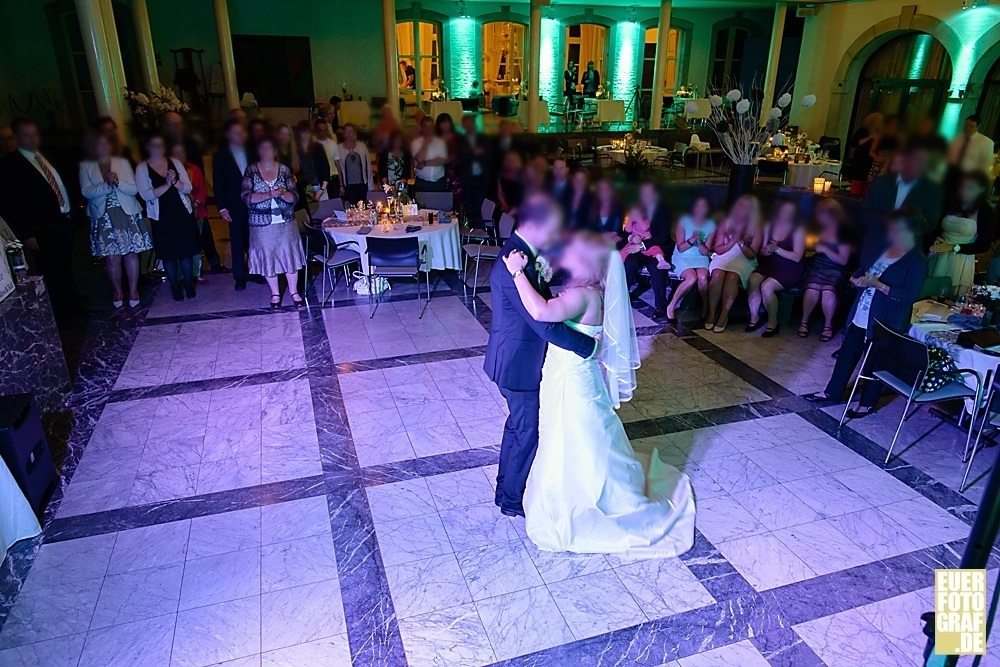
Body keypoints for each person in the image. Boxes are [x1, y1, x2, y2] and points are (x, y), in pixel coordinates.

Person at [500, 231, 696, 555]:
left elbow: (540, 312)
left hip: (570, 382)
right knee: (578, 435)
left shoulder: (582, 295)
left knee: (575, 435)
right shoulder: (593, 292)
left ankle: (578, 502)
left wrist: (517, 272)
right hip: (572, 375)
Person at [483, 194, 598, 517]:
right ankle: (511, 499)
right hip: (518, 365)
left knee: (516, 428)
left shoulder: (519, 253)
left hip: (512, 358)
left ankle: (504, 487)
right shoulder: (513, 262)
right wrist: (587, 345)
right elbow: (544, 325)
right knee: (527, 432)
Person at [806, 209, 928, 416]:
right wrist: (856, 280)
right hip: (861, 312)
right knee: (847, 354)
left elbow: (909, 297)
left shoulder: (917, 260)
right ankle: (831, 392)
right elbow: (860, 271)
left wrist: (879, 285)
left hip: (885, 319)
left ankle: (867, 403)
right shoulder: (886, 248)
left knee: (874, 361)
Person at [0, 117, 81, 313]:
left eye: (35, 133)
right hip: (41, 228)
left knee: (66, 265)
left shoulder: (43, 156)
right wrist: (27, 232)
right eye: (27, 135)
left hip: (62, 220)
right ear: (19, 137)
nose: (33, 138)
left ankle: (74, 303)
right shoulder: (12, 164)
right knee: (50, 269)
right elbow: (14, 202)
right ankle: (60, 311)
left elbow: (59, 183)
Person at [80, 131, 152, 308]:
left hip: (126, 212)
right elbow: (86, 191)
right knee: (111, 257)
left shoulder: (122, 163)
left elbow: (134, 189)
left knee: (131, 252)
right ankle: (118, 290)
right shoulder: (86, 165)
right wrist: (106, 185)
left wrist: (118, 183)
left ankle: (133, 290)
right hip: (103, 215)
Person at [241, 136, 306, 308]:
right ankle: (275, 293)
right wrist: (268, 195)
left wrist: (283, 193)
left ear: (275, 152)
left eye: (269, 148)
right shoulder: (251, 171)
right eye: (262, 149)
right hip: (261, 225)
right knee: (267, 258)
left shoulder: (284, 170)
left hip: (285, 222)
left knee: (290, 256)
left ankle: (294, 292)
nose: (265, 152)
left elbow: (295, 196)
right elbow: (246, 197)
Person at [136, 133, 201, 301]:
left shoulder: (175, 163)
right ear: (148, 147)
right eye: (154, 145)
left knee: (186, 252)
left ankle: (188, 284)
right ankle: (174, 287)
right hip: (161, 216)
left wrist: (174, 182)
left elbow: (187, 188)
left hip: (180, 212)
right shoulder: (142, 168)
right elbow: (145, 195)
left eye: (161, 145)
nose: (158, 149)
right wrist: (165, 185)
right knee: (168, 255)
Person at [860, 140, 943, 262]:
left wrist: (910, 221)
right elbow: (866, 213)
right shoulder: (880, 183)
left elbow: (930, 225)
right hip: (873, 247)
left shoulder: (933, 191)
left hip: (906, 255)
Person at [928, 170, 995, 296]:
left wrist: (954, 247)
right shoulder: (950, 204)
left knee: (952, 297)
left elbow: (984, 244)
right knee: (930, 290)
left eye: (970, 188)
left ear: (981, 190)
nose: (964, 191)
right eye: (962, 187)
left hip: (961, 259)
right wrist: (937, 239)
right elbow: (936, 228)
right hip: (939, 253)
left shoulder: (985, 211)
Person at [745, 199, 806, 337]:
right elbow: (762, 250)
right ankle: (754, 317)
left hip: (790, 267)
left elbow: (797, 257)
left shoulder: (798, 230)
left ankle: (773, 323)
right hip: (771, 264)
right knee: (753, 280)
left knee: (767, 286)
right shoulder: (770, 226)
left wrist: (777, 249)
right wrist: (765, 251)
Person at [706, 194, 763, 332]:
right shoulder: (726, 223)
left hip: (743, 260)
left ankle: (724, 315)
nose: (744, 210)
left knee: (732, 276)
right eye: (742, 206)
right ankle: (712, 312)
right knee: (718, 274)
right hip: (724, 256)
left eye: (748, 208)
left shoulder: (756, 228)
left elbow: (751, 255)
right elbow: (718, 249)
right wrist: (732, 241)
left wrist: (741, 242)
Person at [798, 198, 853, 342]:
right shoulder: (821, 229)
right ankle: (804, 320)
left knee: (828, 291)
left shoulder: (844, 232)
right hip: (819, 266)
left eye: (821, 214)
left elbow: (843, 260)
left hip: (836, 269)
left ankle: (828, 325)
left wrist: (826, 250)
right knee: (812, 288)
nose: (818, 217)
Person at [213, 119, 254, 290]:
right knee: (237, 241)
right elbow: (218, 183)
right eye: (236, 133)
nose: (240, 136)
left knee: (253, 240)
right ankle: (239, 277)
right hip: (234, 204)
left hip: (253, 202)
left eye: (241, 132)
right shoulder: (221, 156)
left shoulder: (251, 152)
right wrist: (222, 207)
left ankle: (255, 272)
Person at [622, 182, 674, 318]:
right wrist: (632, 237)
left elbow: (662, 237)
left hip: (658, 249)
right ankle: (622, 297)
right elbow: (626, 231)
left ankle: (661, 305)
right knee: (629, 262)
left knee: (656, 267)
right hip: (638, 248)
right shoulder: (637, 208)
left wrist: (641, 245)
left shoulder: (664, 211)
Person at [665, 194, 715, 323]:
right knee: (692, 277)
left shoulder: (711, 225)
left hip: (699, 256)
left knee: (703, 278)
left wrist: (699, 242)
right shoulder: (683, 222)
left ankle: (705, 307)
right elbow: (680, 248)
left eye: (703, 206)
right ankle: (671, 306)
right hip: (682, 256)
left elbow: (705, 252)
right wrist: (692, 239)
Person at [170, 142, 214, 283]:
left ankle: (197, 272)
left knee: (197, 243)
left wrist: (196, 203)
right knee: (180, 245)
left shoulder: (194, 169)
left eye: (181, 152)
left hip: (196, 210)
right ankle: (181, 275)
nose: (179, 156)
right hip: (177, 214)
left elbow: (202, 189)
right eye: (176, 153)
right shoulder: (168, 172)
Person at [457, 114, 490, 219]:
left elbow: (489, 155)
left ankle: (481, 230)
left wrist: (472, 153)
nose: (468, 128)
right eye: (466, 126)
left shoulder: (483, 139)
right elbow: (461, 157)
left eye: (470, 125)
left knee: (482, 207)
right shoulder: (460, 141)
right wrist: (475, 152)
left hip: (482, 178)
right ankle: (472, 231)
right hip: (467, 178)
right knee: (470, 208)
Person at [293, 119, 330, 206]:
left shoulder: (318, 147)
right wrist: (304, 191)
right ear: (299, 133)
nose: (306, 135)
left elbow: (325, 168)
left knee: (324, 213)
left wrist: (322, 189)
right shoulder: (295, 150)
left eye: (308, 132)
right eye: (303, 132)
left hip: (320, 186)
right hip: (303, 189)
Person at [947, 114, 995, 179]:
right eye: (966, 125)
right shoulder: (957, 139)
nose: (968, 128)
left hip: (970, 177)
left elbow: (987, 164)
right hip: (952, 174)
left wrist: (977, 179)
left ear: (978, 127)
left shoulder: (986, 142)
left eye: (971, 126)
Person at [337, 123, 374, 205]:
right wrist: (341, 186)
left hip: (362, 184)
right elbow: (338, 168)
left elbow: (368, 166)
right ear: (343, 133)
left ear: (355, 134)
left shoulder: (362, 147)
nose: (349, 134)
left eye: (351, 131)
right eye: (346, 131)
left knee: (363, 207)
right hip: (348, 185)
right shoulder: (338, 148)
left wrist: (370, 186)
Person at [847, 113, 882, 196]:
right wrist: (871, 137)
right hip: (860, 160)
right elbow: (858, 143)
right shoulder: (862, 131)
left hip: (870, 162)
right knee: (858, 182)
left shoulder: (879, 133)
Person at [411, 116, 448, 192]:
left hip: (439, 183)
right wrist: (426, 142)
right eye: (426, 127)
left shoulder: (440, 142)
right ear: (421, 128)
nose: (429, 129)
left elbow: (443, 159)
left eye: (431, 127)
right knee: (421, 204)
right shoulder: (415, 143)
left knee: (439, 204)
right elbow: (419, 158)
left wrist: (425, 163)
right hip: (422, 183)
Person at [868, 114, 903, 181]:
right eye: (892, 124)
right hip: (878, 165)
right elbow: (871, 151)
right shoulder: (881, 135)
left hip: (892, 165)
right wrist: (878, 158)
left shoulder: (899, 137)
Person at [313, 117, 340, 197]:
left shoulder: (332, 143)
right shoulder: (312, 144)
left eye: (325, 130)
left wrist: (341, 184)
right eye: (321, 130)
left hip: (332, 177)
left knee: (333, 202)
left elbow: (337, 164)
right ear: (316, 130)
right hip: (318, 178)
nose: (323, 133)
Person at [497, 152, 524, 217]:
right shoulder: (502, 175)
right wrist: (504, 203)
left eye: (513, 161)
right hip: (505, 205)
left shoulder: (521, 176)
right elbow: (499, 193)